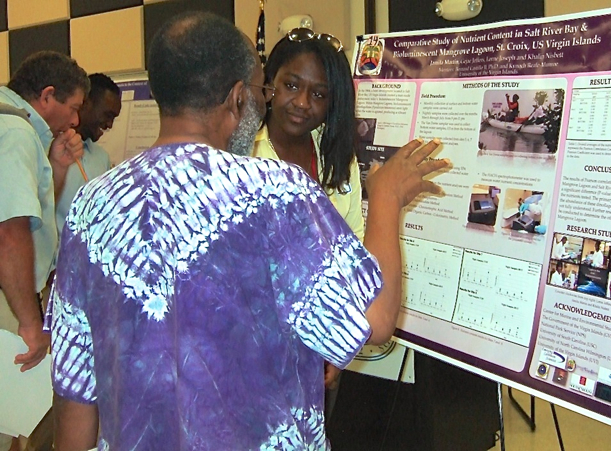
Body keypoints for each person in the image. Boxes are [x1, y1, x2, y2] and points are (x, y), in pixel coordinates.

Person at [48, 12, 450, 451]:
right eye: (264, 90)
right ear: (238, 98)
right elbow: (374, 321)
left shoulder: (91, 206)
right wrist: (387, 198)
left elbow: (75, 397)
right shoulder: (276, 193)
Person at [252, 27, 362, 410]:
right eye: (290, 85)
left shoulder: (338, 159)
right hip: (250, 344)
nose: (302, 103)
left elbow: (353, 251)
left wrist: (337, 341)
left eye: (318, 94)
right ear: (268, 86)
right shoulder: (242, 154)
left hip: (319, 341)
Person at [0, 50, 87, 450]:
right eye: (73, 109)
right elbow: (11, 233)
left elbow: (28, 215)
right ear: (47, 96)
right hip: (7, 301)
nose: (74, 122)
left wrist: (59, 168)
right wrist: (31, 322)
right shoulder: (15, 132)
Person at [55, 73, 121, 233]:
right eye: (108, 115)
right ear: (85, 104)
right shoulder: (52, 151)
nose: (110, 124)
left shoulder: (102, 157)